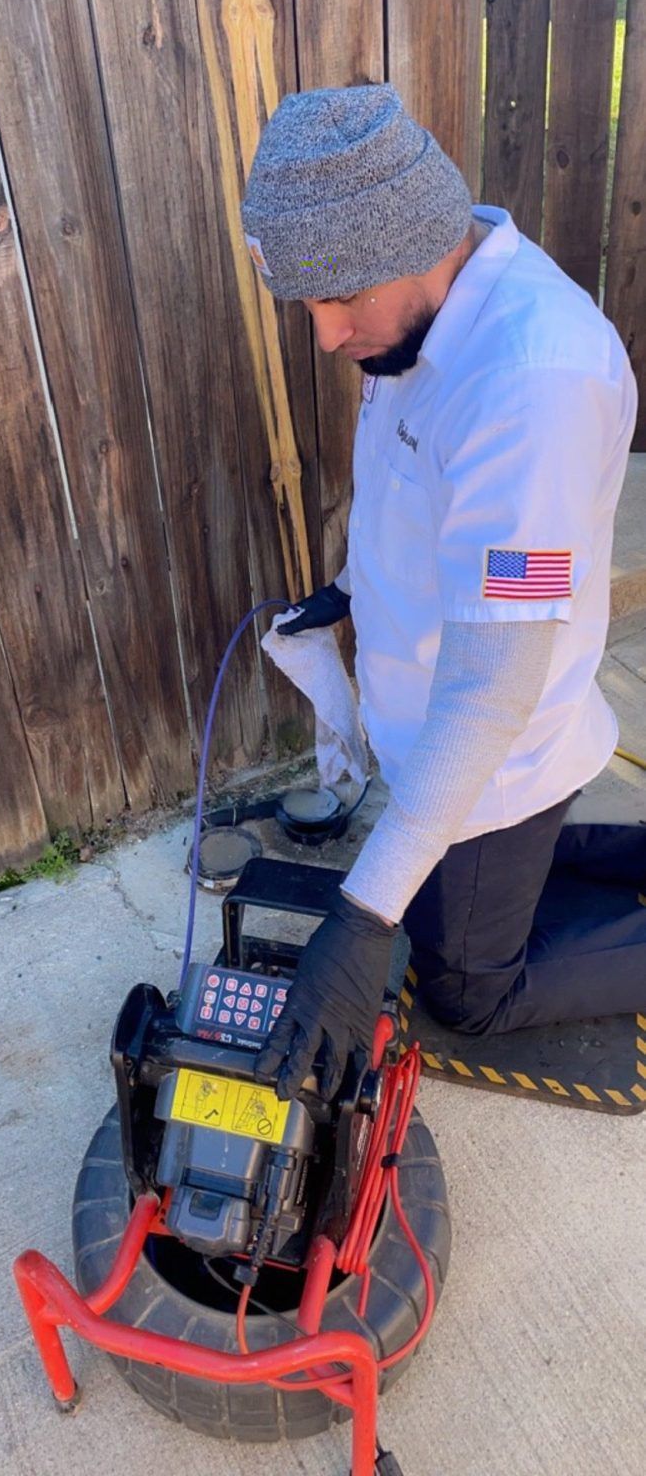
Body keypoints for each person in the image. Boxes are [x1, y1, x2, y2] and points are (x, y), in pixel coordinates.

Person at [239, 83, 644, 1103]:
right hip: (433, 723)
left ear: (418, 243)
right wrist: (348, 591)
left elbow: (492, 689)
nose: (326, 336)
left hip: (496, 755)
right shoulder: (415, 321)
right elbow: (417, 508)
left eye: (340, 300)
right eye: (310, 303)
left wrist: (361, 915)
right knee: (428, 901)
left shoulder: (531, 384)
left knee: (467, 984)